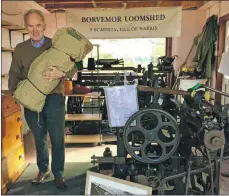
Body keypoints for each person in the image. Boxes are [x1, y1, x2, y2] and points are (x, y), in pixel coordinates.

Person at [8, 9, 77, 189]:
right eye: (30, 26)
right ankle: (42, 169)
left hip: (54, 98)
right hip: (31, 100)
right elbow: (14, 74)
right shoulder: (20, 49)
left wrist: (61, 73)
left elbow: (73, 67)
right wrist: (14, 93)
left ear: (44, 25)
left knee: (57, 138)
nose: (35, 30)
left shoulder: (56, 45)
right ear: (26, 27)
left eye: (38, 25)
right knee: (38, 137)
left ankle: (59, 173)